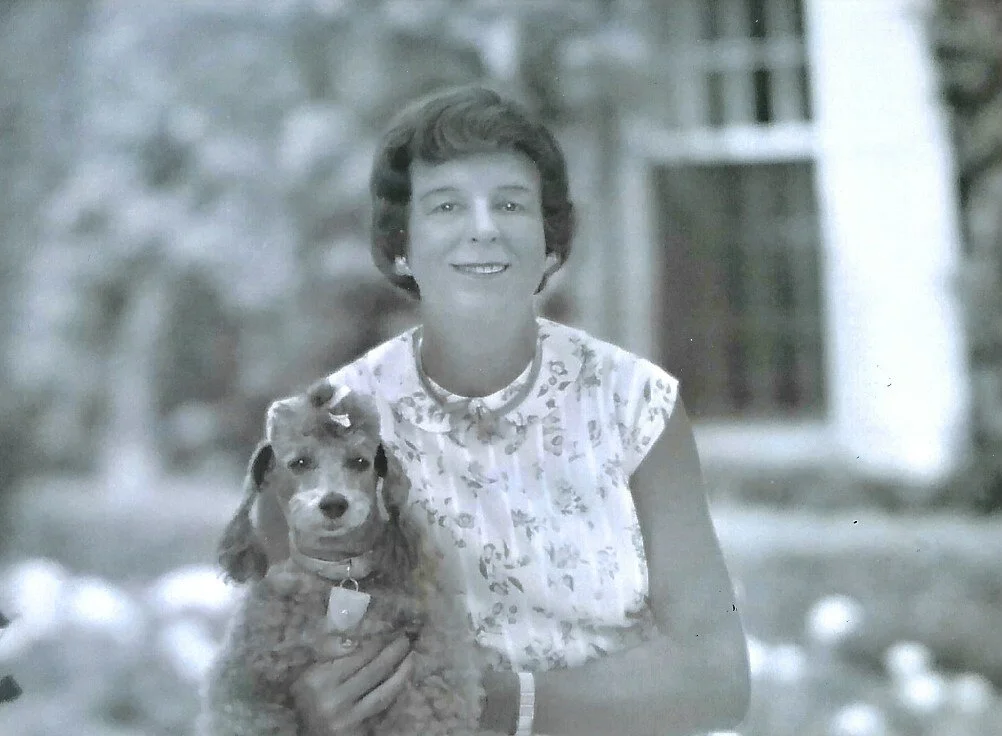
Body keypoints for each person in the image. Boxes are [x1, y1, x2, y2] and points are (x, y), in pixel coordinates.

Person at [256, 85, 751, 736]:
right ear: (401, 246)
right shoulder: (328, 425)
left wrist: (494, 700)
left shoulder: (635, 405)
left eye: (511, 204)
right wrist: (305, 707)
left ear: (550, 242)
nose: (483, 227)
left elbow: (717, 678)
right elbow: (291, 673)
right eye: (447, 205)